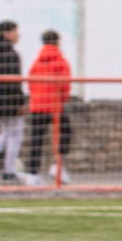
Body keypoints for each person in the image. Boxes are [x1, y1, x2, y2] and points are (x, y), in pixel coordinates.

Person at [27, 29, 73, 183]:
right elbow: (65, 85)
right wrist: (62, 100)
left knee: (36, 139)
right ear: (58, 42)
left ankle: (32, 174)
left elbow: (30, 83)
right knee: (66, 133)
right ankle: (57, 166)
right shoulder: (61, 61)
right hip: (54, 106)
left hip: (37, 106)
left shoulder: (36, 62)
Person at [0, 20, 30, 184]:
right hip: (9, 102)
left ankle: (5, 167)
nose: (18, 35)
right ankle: (9, 170)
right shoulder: (11, 54)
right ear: (7, 34)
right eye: (16, 31)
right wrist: (20, 102)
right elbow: (14, 82)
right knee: (15, 134)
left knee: (6, 133)